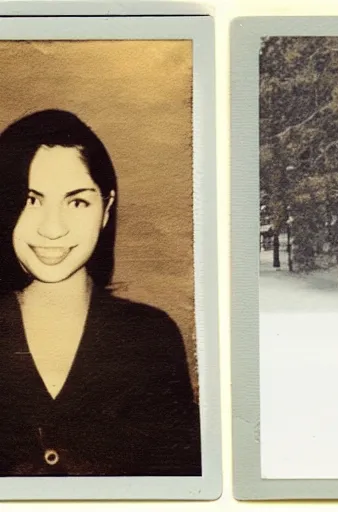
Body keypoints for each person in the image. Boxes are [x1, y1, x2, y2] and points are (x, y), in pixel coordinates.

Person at [0, 109, 201, 476]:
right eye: (32, 199)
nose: (53, 228)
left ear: (106, 210)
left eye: (77, 202)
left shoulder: (152, 338)